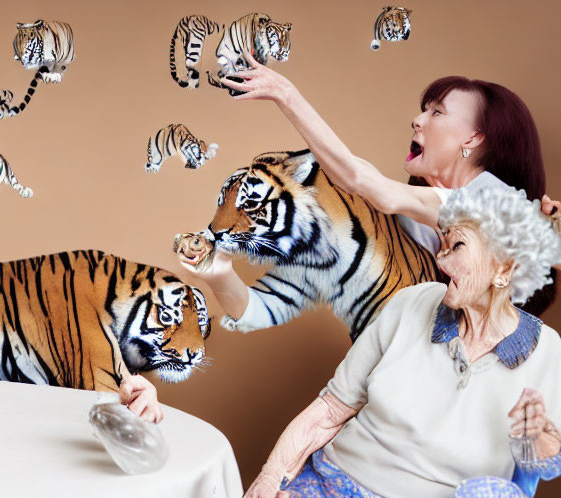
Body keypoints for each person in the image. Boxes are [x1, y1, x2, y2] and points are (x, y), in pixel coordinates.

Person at [195, 185, 561, 498]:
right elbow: (331, 409)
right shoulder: (413, 302)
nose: (441, 258)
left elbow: (546, 463)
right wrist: (272, 475)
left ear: (504, 268)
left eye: (457, 248)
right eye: (444, 243)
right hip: (326, 490)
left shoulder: (547, 352)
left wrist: (535, 437)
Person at [183, 63, 560, 320]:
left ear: (473, 139)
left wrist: (286, 94)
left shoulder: (489, 200)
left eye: (437, 113)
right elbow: (355, 173)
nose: (418, 119)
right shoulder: (408, 218)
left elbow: (362, 179)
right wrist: (219, 276)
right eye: (423, 110)